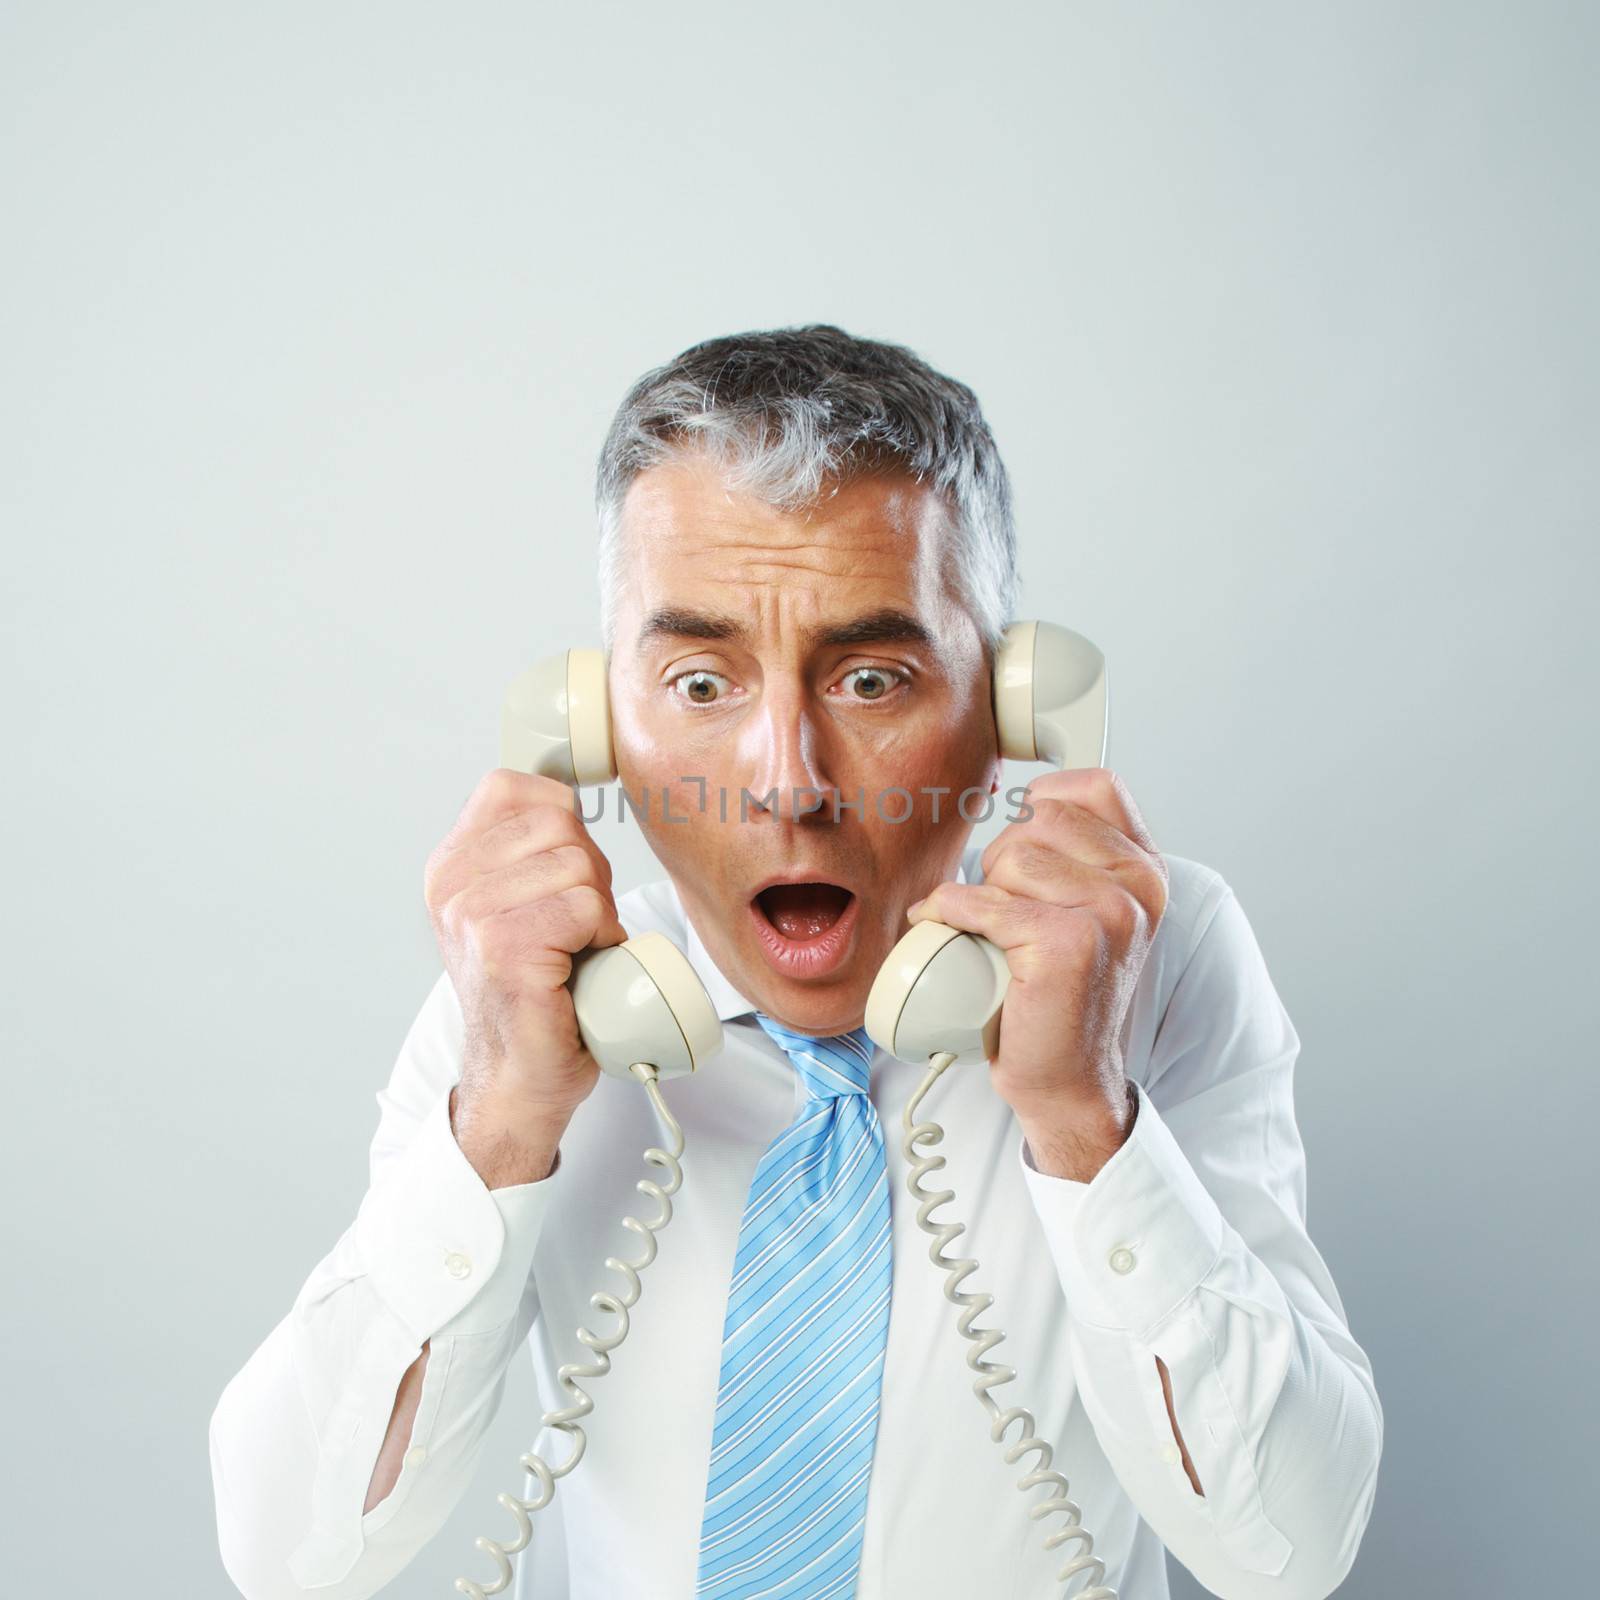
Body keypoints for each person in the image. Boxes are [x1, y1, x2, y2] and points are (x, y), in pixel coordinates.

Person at [208, 325, 1382, 1600]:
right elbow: (290, 1560)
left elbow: (1289, 1555)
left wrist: (1085, 1119)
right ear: (599, 728)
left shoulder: (1154, 960)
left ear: (1009, 711)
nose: (788, 781)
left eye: (872, 678)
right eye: (702, 682)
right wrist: (497, 1123)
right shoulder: (522, 1002)